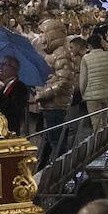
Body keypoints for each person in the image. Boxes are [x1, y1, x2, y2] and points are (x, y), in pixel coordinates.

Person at [33, 18, 77, 168]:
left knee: (57, 142)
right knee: (49, 139)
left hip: (56, 105)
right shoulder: (57, 54)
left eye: (43, 34)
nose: (41, 38)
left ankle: (61, 172)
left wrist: (43, 94)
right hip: (51, 105)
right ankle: (42, 168)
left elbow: (63, 82)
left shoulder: (62, 54)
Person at [0, 55, 30, 136]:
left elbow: (11, 111)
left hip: (7, 131)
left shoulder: (20, 87)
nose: (0, 67)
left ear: (15, 70)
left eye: (5, 64)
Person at [80, 30, 108, 132]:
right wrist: (105, 43)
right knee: (105, 122)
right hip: (107, 93)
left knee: (96, 124)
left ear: (89, 45)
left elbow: (83, 80)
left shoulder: (86, 58)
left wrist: (83, 94)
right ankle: (107, 143)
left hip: (92, 95)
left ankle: (98, 145)